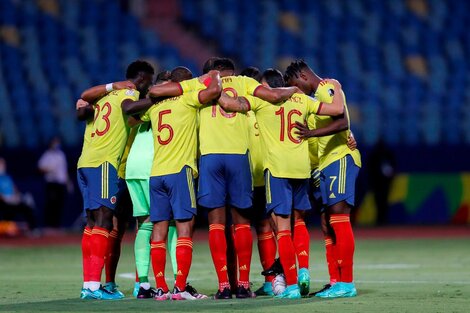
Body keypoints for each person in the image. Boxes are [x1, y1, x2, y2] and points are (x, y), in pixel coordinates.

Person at [148, 58, 300, 299]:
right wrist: (294, 88)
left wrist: (200, 80)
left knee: (216, 224)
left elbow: (156, 90)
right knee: (241, 223)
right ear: (232, 70)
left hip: (210, 159)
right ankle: (243, 284)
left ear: (214, 72)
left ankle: (223, 286)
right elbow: (273, 96)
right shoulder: (244, 82)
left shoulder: (202, 84)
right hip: (238, 157)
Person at [217, 68, 345, 299]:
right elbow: (337, 109)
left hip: (277, 170)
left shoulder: (261, 101)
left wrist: (208, 88)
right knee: (300, 221)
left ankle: (293, 285)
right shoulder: (302, 98)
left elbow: (228, 104)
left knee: (282, 228)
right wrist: (335, 85)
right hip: (301, 168)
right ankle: (304, 268)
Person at [123, 67, 221, 300]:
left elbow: (132, 117)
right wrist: (214, 75)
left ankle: (160, 288)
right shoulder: (188, 99)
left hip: (157, 174)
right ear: (183, 84)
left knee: (158, 229)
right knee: (185, 227)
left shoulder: (155, 107)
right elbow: (215, 90)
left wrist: (153, 96)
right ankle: (179, 287)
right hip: (180, 170)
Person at [75, 60, 154, 300]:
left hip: (85, 162)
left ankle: (89, 284)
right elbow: (130, 108)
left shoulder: (102, 97)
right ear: (140, 80)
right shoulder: (129, 92)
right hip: (105, 163)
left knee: (91, 223)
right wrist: (157, 99)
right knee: (104, 222)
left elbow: (82, 107)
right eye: (148, 83)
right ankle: (92, 287)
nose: (148, 88)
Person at [287, 59, 361, 298]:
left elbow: (342, 120)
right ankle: (335, 280)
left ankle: (347, 283)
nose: (296, 91)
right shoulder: (312, 101)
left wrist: (312, 132)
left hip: (340, 159)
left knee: (339, 218)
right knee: (327, 225)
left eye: (295, 84)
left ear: (303, 76)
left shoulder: (326, 88)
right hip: (323, 165)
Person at [124, 71, 178, 299]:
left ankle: (142, 285)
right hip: (152, 166)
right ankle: (178, 282)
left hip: (133, 168)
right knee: (175, 222)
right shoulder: (170, 105)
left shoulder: (145, 109)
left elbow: (129, 115)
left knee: (144, 224)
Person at [38, 137, 70, 229]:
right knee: (50, 204)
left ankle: (57, 225)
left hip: (60, 183)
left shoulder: (61, 155)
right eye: (55, 142)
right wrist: (48, 169)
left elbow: (65, 170)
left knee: (59, 205)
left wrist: (68, 183)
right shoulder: (47, 155)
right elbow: (40, 167)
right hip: (51, 183)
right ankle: (49, 225)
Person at [0, 157, 37, 233]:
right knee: (8, 209)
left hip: (12, 200)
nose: (2, 166)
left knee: (27, 205)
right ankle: (7, 228)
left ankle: (32, 229)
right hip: (3, 201)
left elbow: (14, 189)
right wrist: (5, 199)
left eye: (3, 164)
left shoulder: (7, 177)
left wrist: (17, 196)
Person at [367, 139, 395, 226]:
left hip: (385, 183)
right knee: (378, 202)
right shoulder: (374, 155)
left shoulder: (388, 155)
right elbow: (370, 169)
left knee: (384, 201)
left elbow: (394, 166)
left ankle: (384, 220)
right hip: (377, 183)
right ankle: (379, 220)